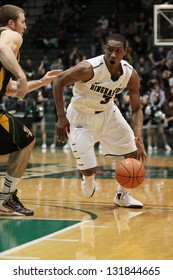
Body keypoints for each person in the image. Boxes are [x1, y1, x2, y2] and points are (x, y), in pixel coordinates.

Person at [53, 33, 147, 208]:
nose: (112, 54)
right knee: (89, 170)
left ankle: (122, 196)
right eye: (109, 50)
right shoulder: (89, 68)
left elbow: (137, 109)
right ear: (105, 48)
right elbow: (58, 81)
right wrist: (60, 115)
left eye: (117, 51)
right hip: (81, 115)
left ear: (124, 52)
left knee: (133, 152)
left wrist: (138, 136)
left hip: (108, 112)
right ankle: (88, 178)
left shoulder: (129, 74)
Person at [0, 4, 61, 216]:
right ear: (11, 23)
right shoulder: (11, 37)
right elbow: (3, 49)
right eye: (23, 21)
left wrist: (42, 81)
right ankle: (6, 197)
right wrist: (22, 75)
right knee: (26, 141)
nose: (25, 26)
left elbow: (9, 90)